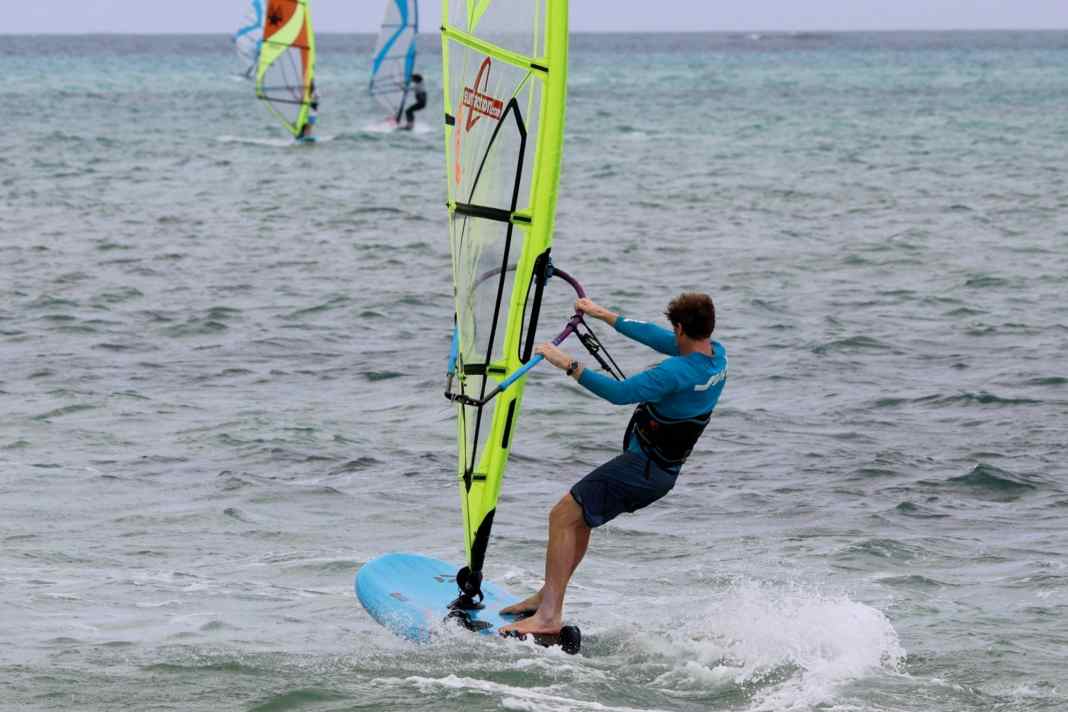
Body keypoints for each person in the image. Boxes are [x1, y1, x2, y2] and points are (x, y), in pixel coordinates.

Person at [498, 293, 728, 637]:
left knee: (562, 515)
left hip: (643, 468)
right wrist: (602, 314)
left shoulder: (674, 373)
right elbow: (655, 336)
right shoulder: (716, 356)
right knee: (580, 519)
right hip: (659, 471)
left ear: (680, 327)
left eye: (674, 329)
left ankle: (548, 617)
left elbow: (619, 394)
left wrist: (568, 364)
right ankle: (549, 595)